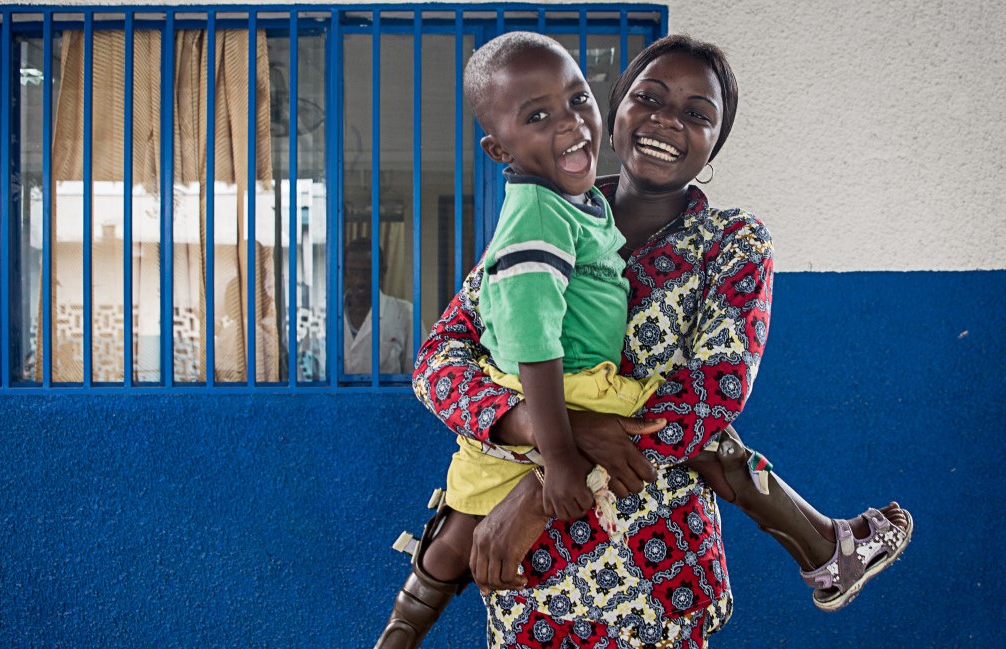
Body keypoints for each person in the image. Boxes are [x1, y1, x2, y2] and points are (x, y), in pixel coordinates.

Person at [378, 34, 913, 649]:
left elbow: (713, 393)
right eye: (649, 98)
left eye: (697, 114)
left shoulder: (729, 244)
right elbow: (438, 361)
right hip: (533, 590)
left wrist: (539, 490)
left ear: (715, 143)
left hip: (657, 583)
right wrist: (542, 428)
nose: (667, 121)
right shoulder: (544, 215)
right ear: (616, 109)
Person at [343, 237, 413, 375]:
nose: (360, 281)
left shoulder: (405, 313)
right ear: (344, 272)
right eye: (353, 272)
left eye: (368, 272)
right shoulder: (328, 315)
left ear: (383, 272)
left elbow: (421, 373)